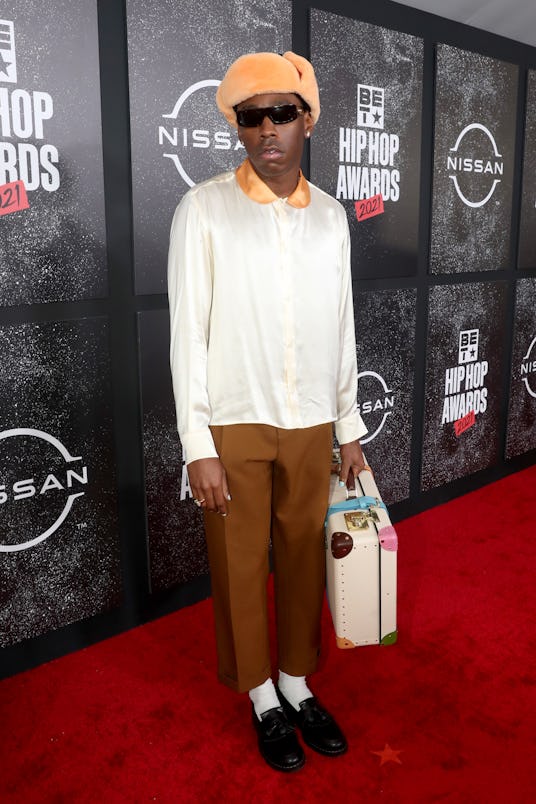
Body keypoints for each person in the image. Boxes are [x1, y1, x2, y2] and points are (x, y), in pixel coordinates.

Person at [168, 51, 367, 773]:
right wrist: (198, 442)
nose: (267, 129)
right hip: (236, 419)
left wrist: (348, 426)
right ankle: (259, 694)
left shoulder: (334, 220)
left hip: (314, 418)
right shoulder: (204, 210)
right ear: (239, 128)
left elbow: (342, 323)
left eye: (282, 112)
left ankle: (295, 681)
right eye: (251, 117)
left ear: (307, 120)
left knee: (303, 559)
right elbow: (188, 332)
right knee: (241, 563)